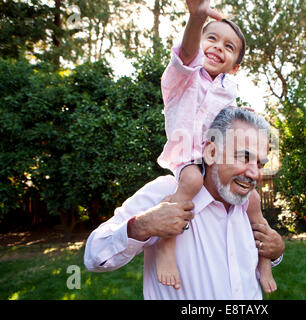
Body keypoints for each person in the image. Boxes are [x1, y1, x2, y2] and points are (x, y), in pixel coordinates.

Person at [84, 108, 285, 300]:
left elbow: (248, 267)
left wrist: (275, 253)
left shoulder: (248, 206)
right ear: (211, 152)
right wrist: (141, 225)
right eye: (244, 157)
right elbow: (95, 256)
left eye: (260, 164)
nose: (254, 173)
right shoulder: (167, 193)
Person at [155, 0, 276, 293]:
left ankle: (265, 261)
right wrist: (196, 19)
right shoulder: (182, 78)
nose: (218, 47)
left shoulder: (228, 91)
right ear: (199, 43)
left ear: (235, 67)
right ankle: (165, 248)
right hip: (188, 156)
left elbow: (232, 124)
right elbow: (185, 54)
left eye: (229, 46)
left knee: (256, 202)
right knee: (193, 180)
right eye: (212, 38)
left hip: (216, 158)